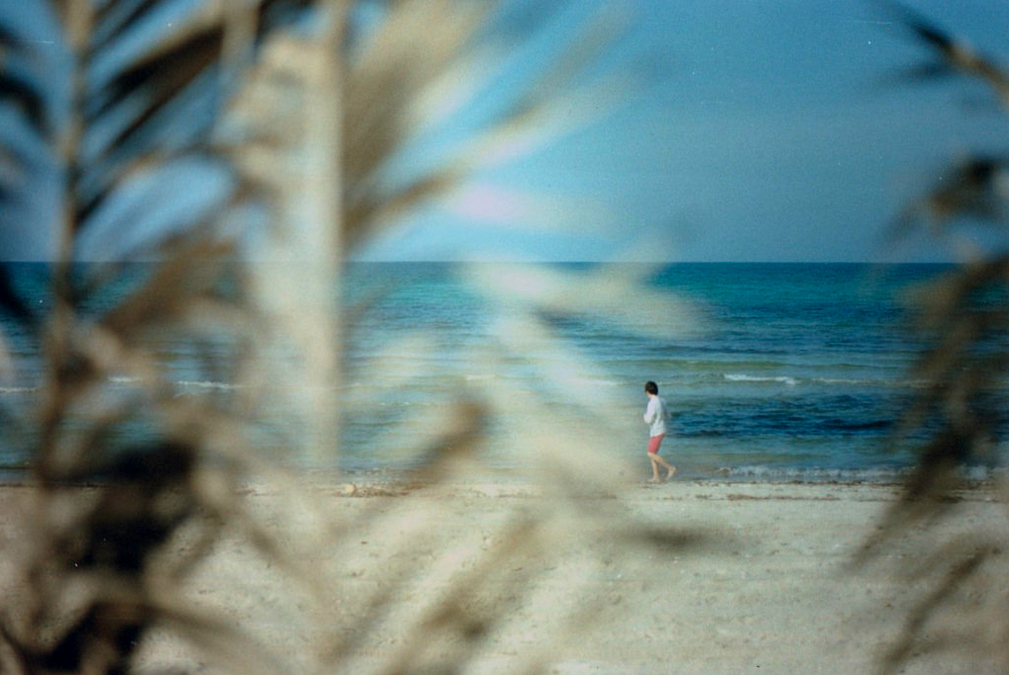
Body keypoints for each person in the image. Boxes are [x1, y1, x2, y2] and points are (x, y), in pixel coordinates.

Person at [643, 381, 676, 482]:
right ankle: (656, 477)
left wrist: (644, 417)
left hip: (657, 430)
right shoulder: (662, 401)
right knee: (654, 453)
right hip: (661, 429)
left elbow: (649, 419)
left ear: (647, 391)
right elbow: (668, 415)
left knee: (650, 453)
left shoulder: (652, 403)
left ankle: (670, 468)